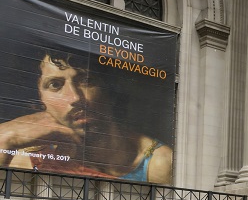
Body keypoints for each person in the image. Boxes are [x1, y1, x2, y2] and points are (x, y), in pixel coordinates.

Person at [0, 50, 173, 183]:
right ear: (38, 102)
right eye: (55, 85)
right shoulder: (28, 158)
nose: (74, 98)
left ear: (109, 91)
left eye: (86, 80)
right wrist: (6, 139)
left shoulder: (158, 162)